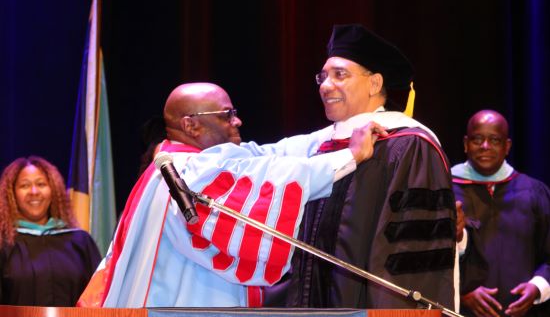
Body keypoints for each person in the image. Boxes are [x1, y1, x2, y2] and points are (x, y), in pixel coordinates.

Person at [78, 82, 385, 308]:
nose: (237, 121)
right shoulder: (188, 172)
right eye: (226, 115)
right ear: (191, 124)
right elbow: (279, 178)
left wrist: (340, 132)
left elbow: (270, 154)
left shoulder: (167, 168)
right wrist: (352, 157)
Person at [254, 24, 459, 310]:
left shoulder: (409, 146)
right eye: (323, 76)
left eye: (340, 75)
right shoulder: (317, 146)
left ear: (375, 83)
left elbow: (408, 257)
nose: (326, 86)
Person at [452, 110, 550, 317]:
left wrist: (538, 287)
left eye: (495, 140)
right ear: (465, 143)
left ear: (507, 147)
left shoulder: (534, 192)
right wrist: (461, 290)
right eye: (477, 139)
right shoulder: (445, 190)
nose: (485, 146)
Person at [0, 156, 101, 306]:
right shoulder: (4, 245)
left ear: (53, 190)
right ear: (12, 194)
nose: (34, 191)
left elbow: (99, 297)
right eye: (24, 185)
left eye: (41, 184)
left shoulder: (80, 242)